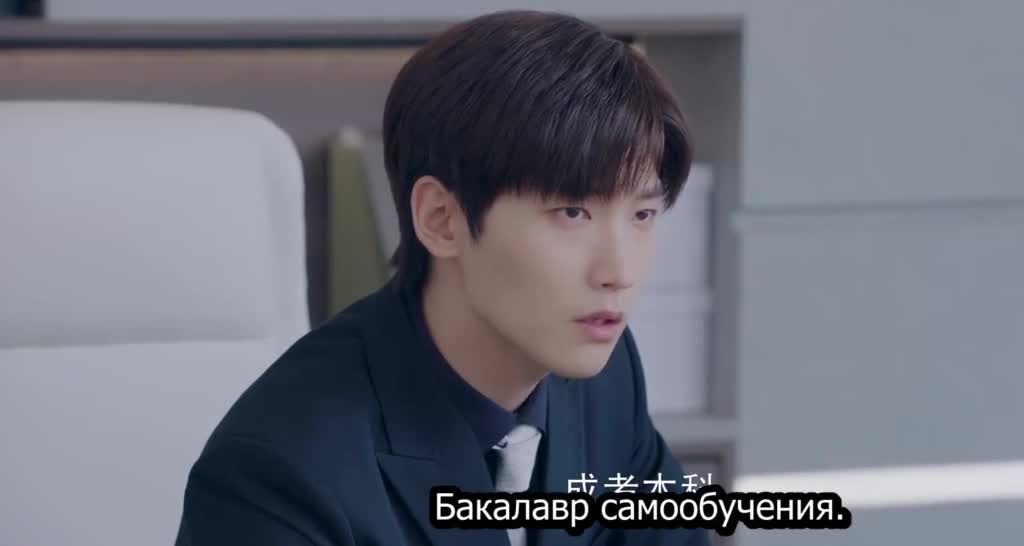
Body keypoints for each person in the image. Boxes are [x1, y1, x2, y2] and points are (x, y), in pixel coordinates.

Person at [174, 9, 710, 546]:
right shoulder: (279, 473)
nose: (620, 272)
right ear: (441, 219)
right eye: (572, 213)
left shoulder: (603, 377)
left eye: (643, 215)